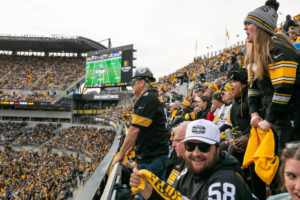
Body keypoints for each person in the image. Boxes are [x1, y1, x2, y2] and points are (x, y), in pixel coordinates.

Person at [130, 119, 256, 199]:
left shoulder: (224, 183)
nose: (196, 153)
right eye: (190, 146)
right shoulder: (190, 171)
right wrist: (148, 190)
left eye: (204, 147)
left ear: (218, 148)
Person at [244, 0, 300, 150]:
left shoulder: (278, 48)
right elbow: (253, 87)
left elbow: (283, 90)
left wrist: (269, 120)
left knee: (287, 159)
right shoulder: (254, 53)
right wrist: (254, 113)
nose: (245, 27)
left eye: (249, 23)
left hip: (291, 116)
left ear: (261, 27)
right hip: (275, 115)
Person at [113, 67, 169, 181]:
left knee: (146, 194)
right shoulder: (154, 96)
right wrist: (131, 146)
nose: (132, 86)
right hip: (157, 155)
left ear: (142, 82)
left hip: (151, 158)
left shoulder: (147, 98)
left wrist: (121, 154)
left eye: (133, 82)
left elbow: (134, 130)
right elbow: (144, 128)